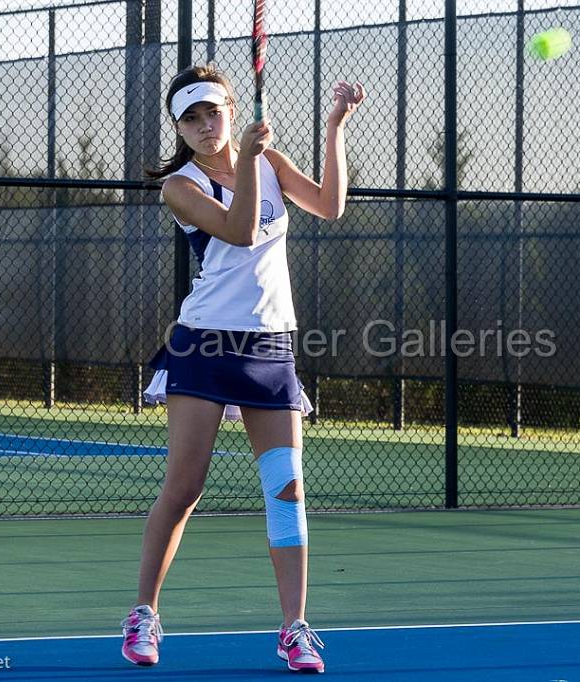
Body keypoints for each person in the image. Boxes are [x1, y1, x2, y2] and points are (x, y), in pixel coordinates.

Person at [122, 64, 365, 674]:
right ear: (179, 127)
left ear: (232, 108)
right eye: (192, 118)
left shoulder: (271, 162)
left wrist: (334, 128)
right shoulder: (179, 185)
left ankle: (294, 628)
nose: (207, 126)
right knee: (184, 489)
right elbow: (240, 229)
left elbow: (331, 207)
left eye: (214, 112)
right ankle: (144, 613)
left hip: (270, 349)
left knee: (287, 491)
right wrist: (252, 160)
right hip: (203, 346)